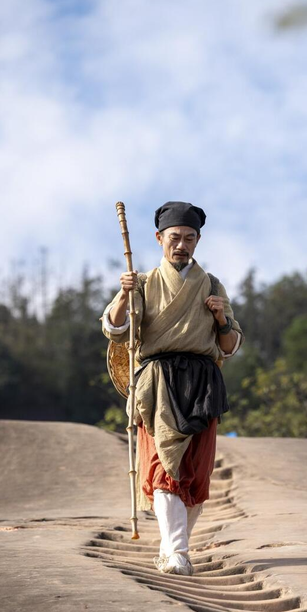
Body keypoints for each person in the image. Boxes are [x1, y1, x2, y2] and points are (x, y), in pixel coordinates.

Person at [102, 201, 243, 575]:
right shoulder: (143, 282)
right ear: (160, 238)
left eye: (189, 238)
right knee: (164, 467)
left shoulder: (212, 285)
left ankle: (171, 547)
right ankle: (178, 554)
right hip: (158, 381)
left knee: (196, 473)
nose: (181, 244)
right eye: (175, 237)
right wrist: (122, 294)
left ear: (198, 241)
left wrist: (221, 318)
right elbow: (115, 330)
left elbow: (229, 345)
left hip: (203, 381)